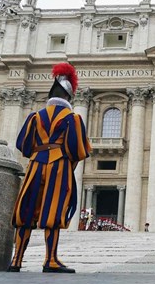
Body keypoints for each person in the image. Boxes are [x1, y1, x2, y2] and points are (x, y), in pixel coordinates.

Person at [8, 63, 92, 273]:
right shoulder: (72, 118)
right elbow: (78, 148)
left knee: (26, 210)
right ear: (69, 98)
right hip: (59, 165)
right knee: (54, 211)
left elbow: (23, 145)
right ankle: (50, 260)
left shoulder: (35, 116)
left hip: (36, 164)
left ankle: (16, 260)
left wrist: (39, 152)